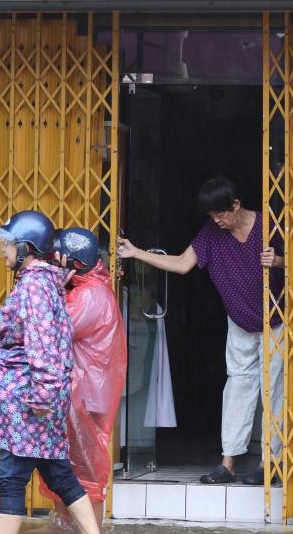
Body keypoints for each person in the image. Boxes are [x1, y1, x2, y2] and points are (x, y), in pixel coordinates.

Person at [116, 175, 284, 486]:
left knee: (273, 390)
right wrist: (137, 253)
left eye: (221, 213)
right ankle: (228, 462)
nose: (217, 220)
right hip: (240, 322)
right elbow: (181, 264)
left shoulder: (270, 224)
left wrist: (278, 261)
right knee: (237, 388)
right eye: (212, 215)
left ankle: (269, 463)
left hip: (276, 320)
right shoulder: (210, 234)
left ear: (236, 205)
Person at [0, 210, 106, 534]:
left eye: (9, 246)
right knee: (59, 474)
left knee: (10, 477)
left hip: (28, 403)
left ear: (26, 248)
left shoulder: (34, 287)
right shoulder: (44, 282)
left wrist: (39, 402)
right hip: (36, 400)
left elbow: (43, 347)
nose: (4, 252)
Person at [38, 227, 127, 528]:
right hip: (80, 398)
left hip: (84, 400)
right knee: (67, 473)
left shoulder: (90, 295)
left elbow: (52, 331)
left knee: (84, 476)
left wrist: (52, 288)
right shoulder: (86, 290)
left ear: (72, 262)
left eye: (56, 260)